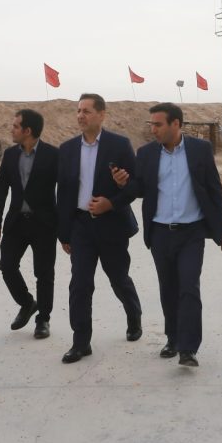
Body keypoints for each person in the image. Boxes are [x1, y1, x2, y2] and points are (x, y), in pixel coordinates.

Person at [113, 103, 222, 367]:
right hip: (160, 233)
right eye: (151, 124)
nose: (153, 129)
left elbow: (214, 187)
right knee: (168, 289)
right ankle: (173, 338)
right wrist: (124, 183)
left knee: (189, 287)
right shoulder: (146, 153)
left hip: (192, 232)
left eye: (158, 124)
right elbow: (139, 189)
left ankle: (188, 349)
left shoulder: (200, 150)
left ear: (176, 124)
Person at [55, 93, 142, 363]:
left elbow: (135, 187)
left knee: (118, 278)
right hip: (81, 226)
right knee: (80, 284)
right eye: (78, 111)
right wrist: (64, 232)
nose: (80, 116)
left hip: (112, 225)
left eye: (87, 111)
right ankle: (81, 342)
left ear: (102, 114)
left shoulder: (119, 145)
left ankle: (134, 315)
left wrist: (111, 203)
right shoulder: (67, 149)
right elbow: (64, 193)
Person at [0, 109, 59, 339]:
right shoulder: (10, 155)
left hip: (44, 224)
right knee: (7, 266)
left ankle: (43, 320)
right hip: (16, 222)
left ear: (27, 131)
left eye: (16, 126)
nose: (12, 129)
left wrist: (65, 226)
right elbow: (1, 189)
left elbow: (66, 189)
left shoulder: (52, 155)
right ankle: (27, 303)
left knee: (44, 274)